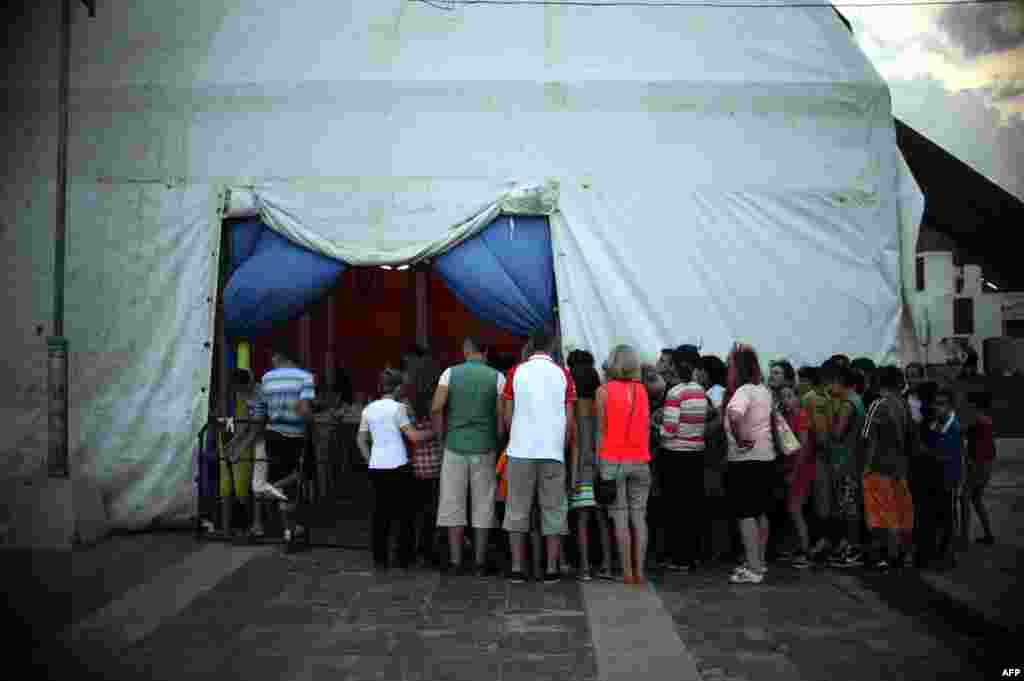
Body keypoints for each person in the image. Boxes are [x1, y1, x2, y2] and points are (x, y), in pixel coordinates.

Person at [500, 326, 577, 584]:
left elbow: (507, 414)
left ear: (531, 344)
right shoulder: (564, 375)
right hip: (552, 452)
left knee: (517, 509)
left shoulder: (515, 372)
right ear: (553, 344)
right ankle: (552, 567)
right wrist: (561, 446)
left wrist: (516, 435)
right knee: (553, 511)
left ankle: (517, 567)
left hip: (520, 450)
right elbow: (569, 419)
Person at [431, 338, 505, 576]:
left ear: (465, 352)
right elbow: (502, 417)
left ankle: (455, 561)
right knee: (483, 504)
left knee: (453, 503)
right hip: (485, 447)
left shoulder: (449, 374)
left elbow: (436, 407)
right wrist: (497, 438)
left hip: (454, 446)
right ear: (484, 352)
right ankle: (480, 563)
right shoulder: (497, 377)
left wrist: (441, 437)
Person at [357, 369, 432, 573]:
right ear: (398, 388)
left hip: (376, 466)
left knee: (380, 514)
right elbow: (414, 437)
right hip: (399, 464)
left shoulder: (368, 409)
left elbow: (361, 440)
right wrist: (434, 431)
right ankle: (403, 558)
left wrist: (369, 459)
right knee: (404, 514)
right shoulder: (399, 408)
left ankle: (380, 560)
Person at [248, 350, 316, 552]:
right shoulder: (305, 377)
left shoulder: (266, 378)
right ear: (292, 360)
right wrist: (311, 420)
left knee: (285, 490)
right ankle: (293, 530)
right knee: (297, 479)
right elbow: (304, 409)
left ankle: (290, 532)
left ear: (277, 359)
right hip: (296, 437)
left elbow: (260, 412)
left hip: (273, 436)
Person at [597, 345, 653, 585]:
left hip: (613, 460)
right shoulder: (642, 391)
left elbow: (601, 432)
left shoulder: (603, 392)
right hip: (640, 459)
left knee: (620, 518)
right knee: (639, 518)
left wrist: (599, 462)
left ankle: (627, 572)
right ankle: (640, 572)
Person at [723, 343, 776, 584]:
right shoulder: (763, 390)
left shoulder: (743, 391)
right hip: (766, 458)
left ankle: (753, 568)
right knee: (760, 513)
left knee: (745, 514)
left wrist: (738, 437)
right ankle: (759, 562)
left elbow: (734, 415)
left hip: (745, 460)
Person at [657, 346, 709, 572]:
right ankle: (692, 556)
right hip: (696, 454)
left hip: (674, 455)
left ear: (676, 366)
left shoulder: (675, 393)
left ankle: (678, 558)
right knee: (692, 506)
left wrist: (653, 425)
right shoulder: (700, 391)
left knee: (675, 507)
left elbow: (669, 430)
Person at [861, 366, 917, 572]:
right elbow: (911, 437)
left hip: (877, 467)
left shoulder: (878, 404)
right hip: (900, 467)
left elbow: (866, 437)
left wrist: (865, 467)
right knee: (900, 511)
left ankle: (884, 556)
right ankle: (900, 555)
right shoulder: (903, 404)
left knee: (880, 513)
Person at [567, 350, 614, 582]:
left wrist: (574, 477)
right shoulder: (602, 407)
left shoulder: (575, 411)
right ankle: (606, 565)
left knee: (583, 521)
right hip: (603, 469)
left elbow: (577, 445)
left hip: (583, 472)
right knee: (603, 520)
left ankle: (584, 568)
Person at [825, 366, 867, 568]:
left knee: (849, 507)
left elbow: (838, 432)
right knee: (850, 506)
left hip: (846, 462)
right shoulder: (856, 400)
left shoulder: (848, 403)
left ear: (840, 382)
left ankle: (854, 549)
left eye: (831, 382)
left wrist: (828, 424)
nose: (829, 387)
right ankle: (850, 547)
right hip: (852, 461)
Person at [407, 356, 444, 567]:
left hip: (414, 463)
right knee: (432, 511)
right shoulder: (435, 401)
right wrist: (436, 432)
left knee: (415, 511)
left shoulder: (405, 403)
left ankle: (414, 550)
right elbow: (439, 431)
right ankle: (428, 550)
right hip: (435, 463)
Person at [921, 387, 963, 569]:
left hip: (947, 480)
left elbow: (946, 456)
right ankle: (939, 555)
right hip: (935, 479)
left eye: (941, 404)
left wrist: (926, 452)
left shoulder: (953, 428)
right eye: (935, 404)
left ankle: (948, 557)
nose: (937, 408)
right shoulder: (935, 424)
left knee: (947, 521)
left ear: (951, 406)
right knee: (938, 519)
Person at [800, 365, 836, 562]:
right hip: (815, 455)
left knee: (825, 500)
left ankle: (824, 541)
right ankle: (820, 541)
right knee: (819, 500)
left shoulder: (828, 399)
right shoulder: (810, 399)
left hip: (827, 455)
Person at [220, 368, 258, 538]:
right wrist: (231, 444)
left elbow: (251, 426)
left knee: (247, 486)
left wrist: (237, 446)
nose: (236, 391)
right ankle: (232, 527)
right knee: (230, 487)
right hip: (236, 441)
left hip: (250, 442)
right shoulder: (234, 397)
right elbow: (235, 424)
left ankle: (248, 525)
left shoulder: (252, 396)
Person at [778, 384, 813, 568]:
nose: (786, 400)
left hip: (799, 469)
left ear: (797, 398)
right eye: (783, 397)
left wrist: (794, 472)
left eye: (790, 396)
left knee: (795, 509)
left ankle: (805, 551)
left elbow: (803, 448)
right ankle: (797, 547)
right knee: (791, 510)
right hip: (788, 467)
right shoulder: (784, 417)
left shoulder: (801, 416)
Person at [964, 391, 996, 545]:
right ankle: (988, 534)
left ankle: (964, 537)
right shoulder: (986, 420)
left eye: (969, 402)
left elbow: (962, 432)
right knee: (976, 499)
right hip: (986, 464)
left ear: (975, 405)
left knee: (965, 499)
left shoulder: (977, 420)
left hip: (977, 465)